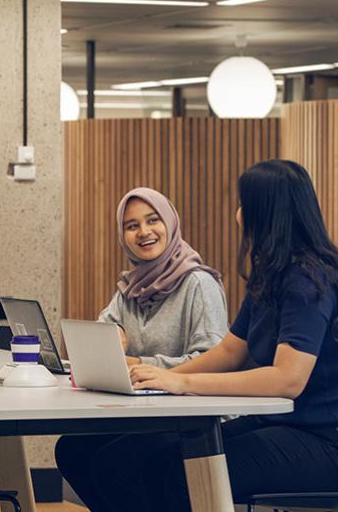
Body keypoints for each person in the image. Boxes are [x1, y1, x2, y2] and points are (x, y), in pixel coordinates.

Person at [76, 160, 338, 511]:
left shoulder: (306, 282)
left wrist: (182, 383)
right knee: (127, 461)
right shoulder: (271, 274)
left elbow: (287, 380)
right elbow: (230, 351)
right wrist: (168, 376)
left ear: (265, 213)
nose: (238, 212)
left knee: (177, 472)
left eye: (244, 204)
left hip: (324, 442)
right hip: (277, 424)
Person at [54, 187, 228, 509]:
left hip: (193, 419)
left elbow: (211, 360)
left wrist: (139, 362)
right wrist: (112, 333)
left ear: (170, 223)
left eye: (152, 220)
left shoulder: (198, 284)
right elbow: (100, 338)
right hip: (146, 415)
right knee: (71, 450)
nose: (144, 232)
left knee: (115, 464)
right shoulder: (130, 289)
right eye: (131, 225)